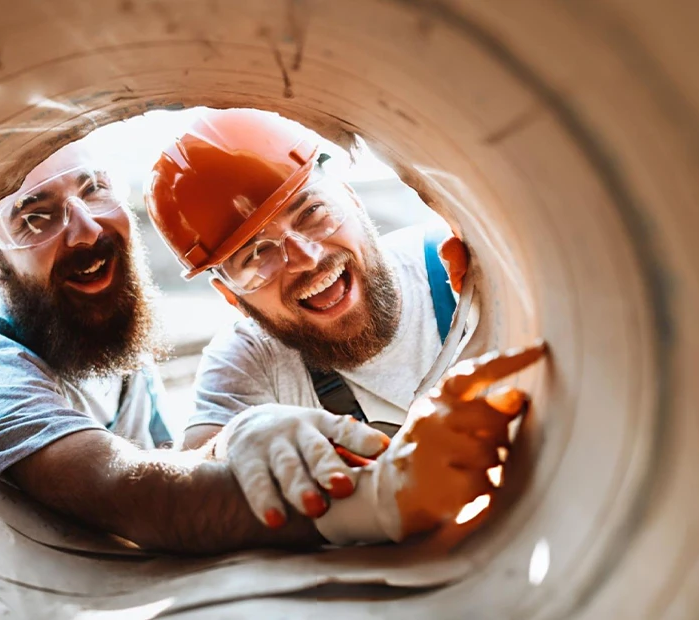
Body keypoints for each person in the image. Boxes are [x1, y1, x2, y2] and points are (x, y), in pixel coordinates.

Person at [147, 108, 527, 544]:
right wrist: (229, 442)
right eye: (255, 256)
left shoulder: (461, 266)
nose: (306, 257)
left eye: (311, 212)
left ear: (353, 199)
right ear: (232, 297)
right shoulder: (250, 362)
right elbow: (187, 494)